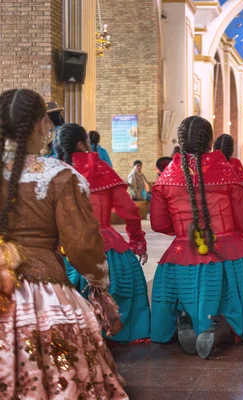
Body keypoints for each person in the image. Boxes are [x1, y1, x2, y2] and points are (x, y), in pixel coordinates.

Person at [0, 89, 125, 397]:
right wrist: (98, 283)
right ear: (43, 124)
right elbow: (81, 244)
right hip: (43, 291)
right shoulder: (59, 176)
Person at [150, 116, 243, 359]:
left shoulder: (166, 177)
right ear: (211, 142)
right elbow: (242, 219)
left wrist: (183, 235)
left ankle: (184, 320)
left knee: (180, 295)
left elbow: (158, 223)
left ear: (180, 142)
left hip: (180, 255)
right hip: (228, 251)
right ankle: (221, 329)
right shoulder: (227, 172)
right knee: (237, 299)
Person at [54, 123, 151, 344]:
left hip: (65, 248)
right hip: (106, 245)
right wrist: (137, 241)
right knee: (129, 282)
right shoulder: (101, 169)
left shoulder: (54, 172)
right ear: (81, 144)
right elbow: (129, 211)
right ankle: (123, 332)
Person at [214, 133, 243, 206]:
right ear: (231, 150)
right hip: (233, 208)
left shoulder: (209, 163)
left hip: (213, 209)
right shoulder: (235, 163)